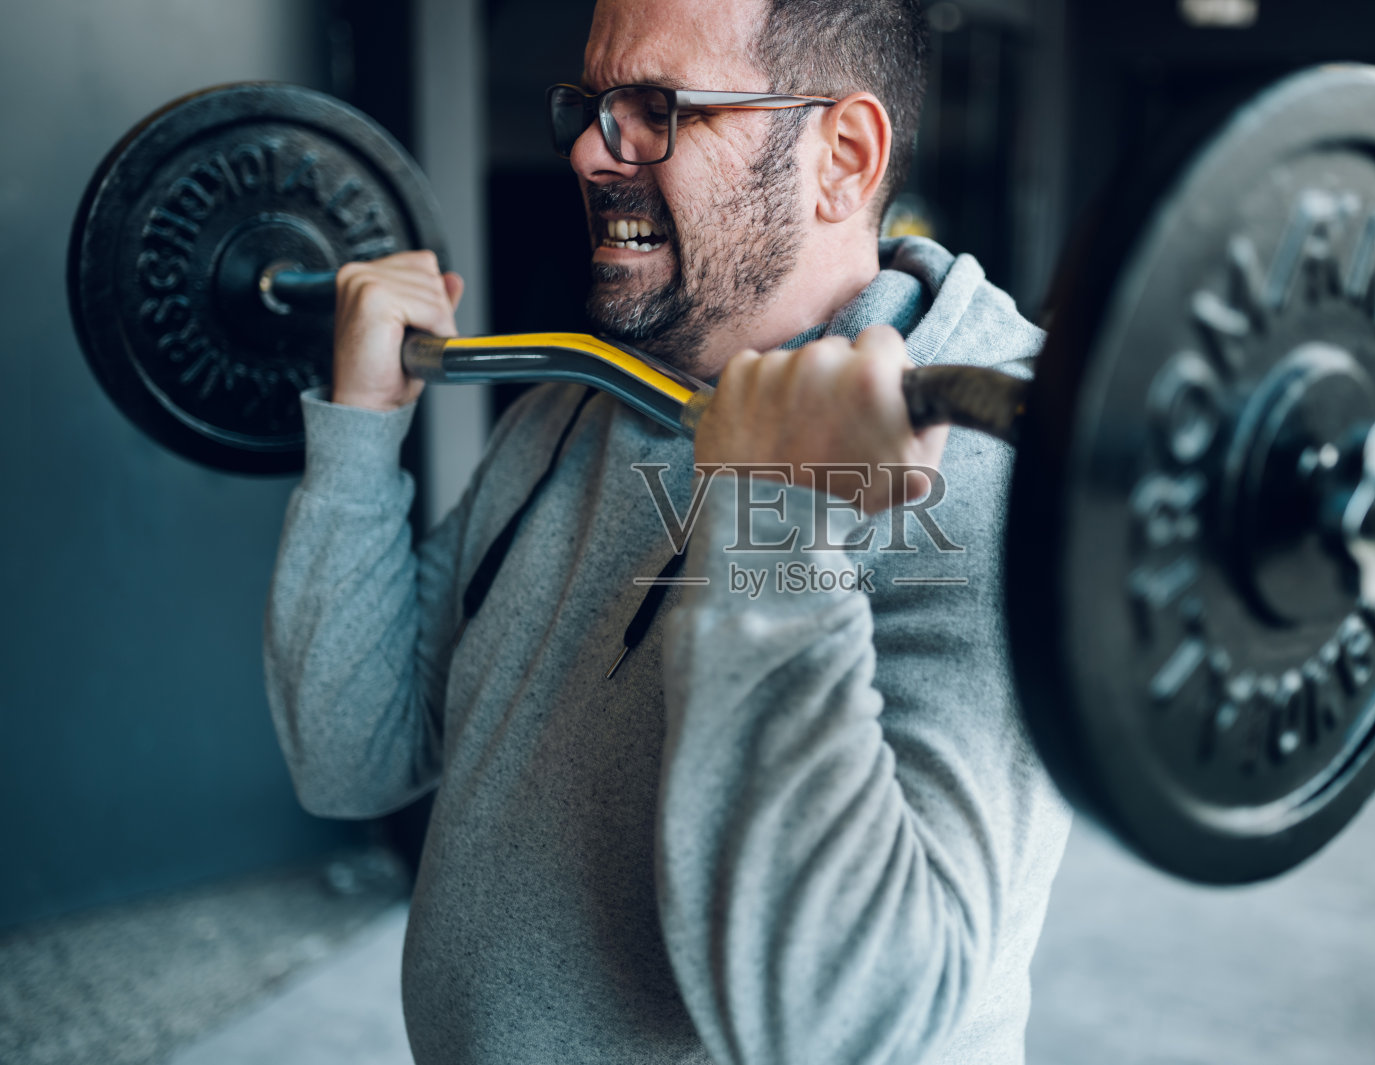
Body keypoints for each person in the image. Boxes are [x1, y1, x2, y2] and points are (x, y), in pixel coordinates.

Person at [264, 0, 1071, 1061]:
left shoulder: (984, 483)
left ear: (842, 155)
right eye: (591, 107)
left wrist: (780, 517)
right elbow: (353, 761)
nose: (594, 154)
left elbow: (852, 1019)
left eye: (655, 108)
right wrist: (361, 432)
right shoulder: (574, 398)